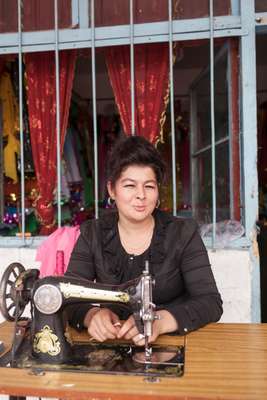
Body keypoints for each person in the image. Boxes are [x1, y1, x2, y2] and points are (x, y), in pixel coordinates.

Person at [65, 135, 223, 345]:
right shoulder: (92, 235)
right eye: (130, 186)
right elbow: (67, 298)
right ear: (112, 190)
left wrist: (162, 321)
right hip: (114, 343)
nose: (141, 195)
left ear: (157, 192)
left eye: (149, 186)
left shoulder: (182, 233)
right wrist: (92, 316)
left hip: (172, 343)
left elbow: (210, 302)